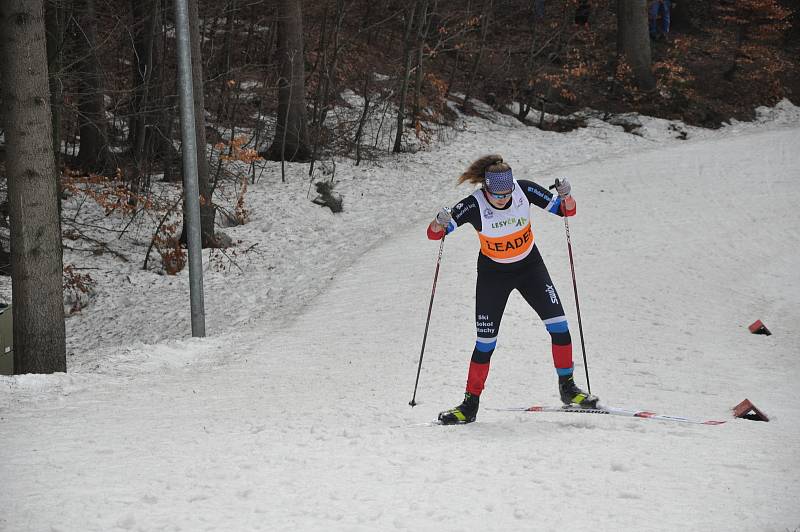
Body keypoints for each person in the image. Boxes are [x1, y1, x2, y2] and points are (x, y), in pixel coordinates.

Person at [427, 154, 598, 425]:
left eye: (507, 193)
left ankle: (568, 389)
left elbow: (566, 211)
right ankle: (469, 405)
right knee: (485, 343)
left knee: (560, 327)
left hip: (530, 267)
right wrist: (439, 221)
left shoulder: (524, 189)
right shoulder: (474, 204)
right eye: (498, 195)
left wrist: (567, 196)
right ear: (486, 188)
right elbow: (435, 234)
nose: (504, 199)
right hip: (494, 275)